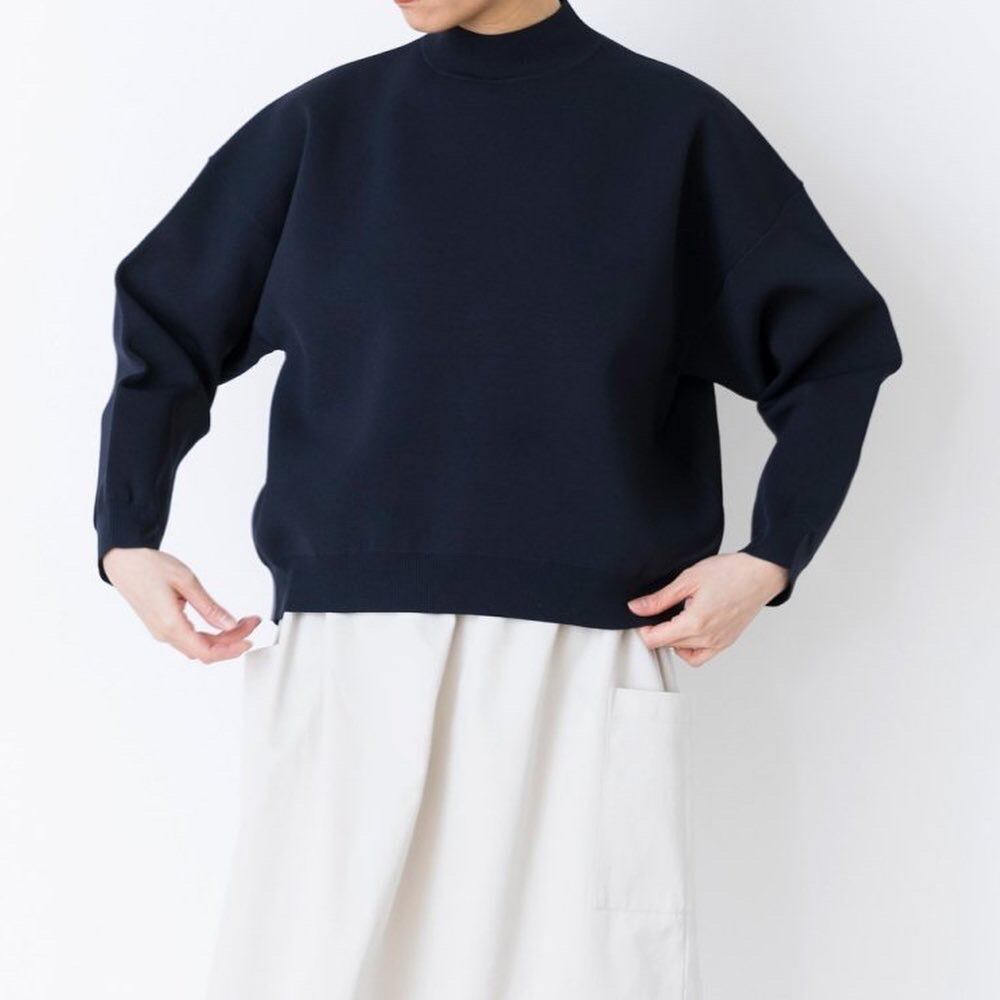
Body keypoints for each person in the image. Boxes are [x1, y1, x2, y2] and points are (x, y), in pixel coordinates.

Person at [94, 1, 902, 996]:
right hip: (353, 657)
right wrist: (125, 532)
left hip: (581, 661)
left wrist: (771, 556)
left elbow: (834, 352)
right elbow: (169, 316)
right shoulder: (325, 129)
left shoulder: (673, 132)